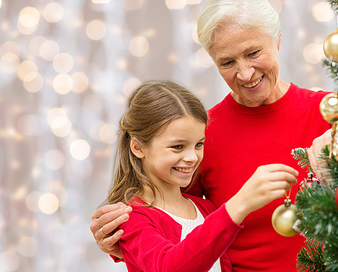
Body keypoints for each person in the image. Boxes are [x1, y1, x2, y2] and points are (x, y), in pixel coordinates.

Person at [90, 0, 332, 271]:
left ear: (277, 40)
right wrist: (119, 240)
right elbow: (176, 222)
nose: (244, 73)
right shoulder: (201, 136)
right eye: (227, 62)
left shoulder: (330, 113)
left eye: (253, 53)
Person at [108, 80, 299, 272]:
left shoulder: (205, 208)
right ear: (138, 147)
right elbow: (169, 266)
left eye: (198, 144)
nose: (192, 157)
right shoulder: (130, 218)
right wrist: (239, 204)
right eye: (178, 147)